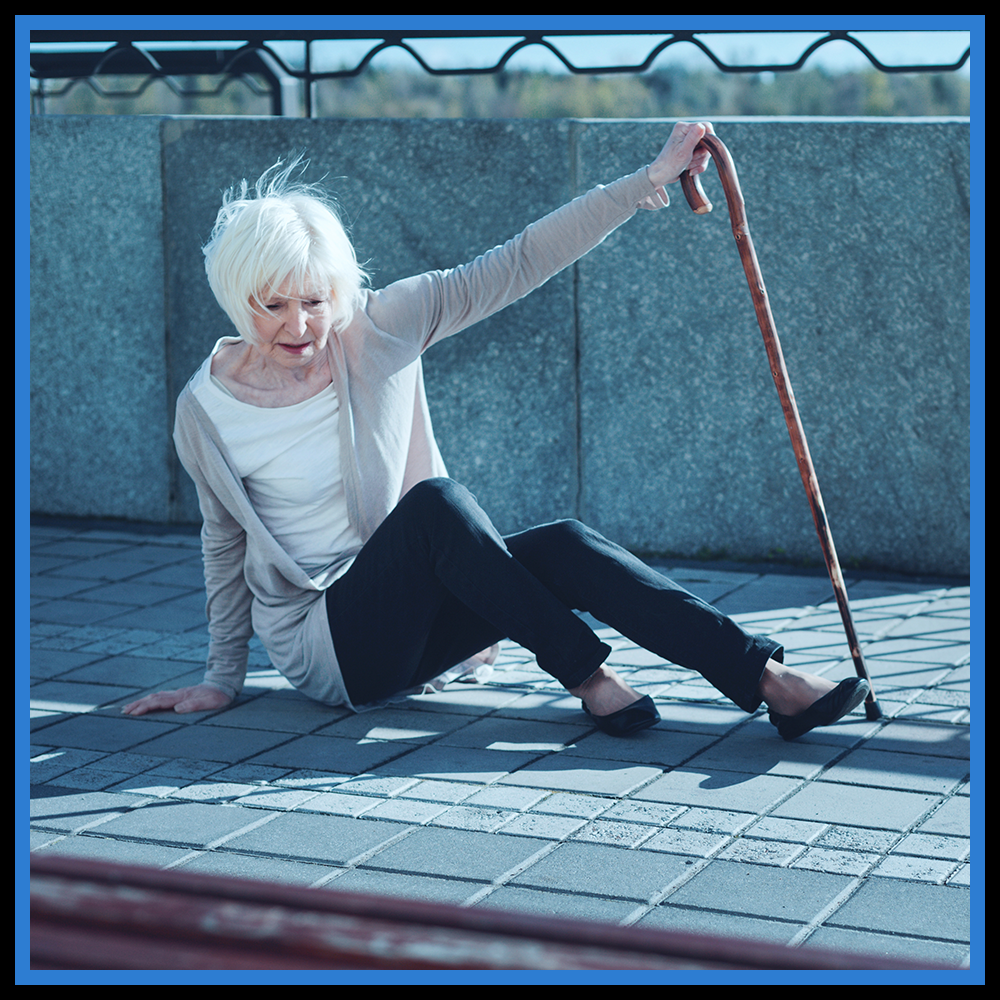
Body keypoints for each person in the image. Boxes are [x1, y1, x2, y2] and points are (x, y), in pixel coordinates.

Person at [123, 122, 868, 741]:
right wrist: (223, 679)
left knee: (566, 545)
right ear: (236, 294)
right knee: (437, 507)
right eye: (273, 305)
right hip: (336, 650)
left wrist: (652, 177)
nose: (300, 326)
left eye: (315, 301)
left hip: (429, 620)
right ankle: (589, 676)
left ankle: (767, 680)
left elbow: (519, 260)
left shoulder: (379, 327)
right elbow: (223, 543)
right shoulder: (208, 409)